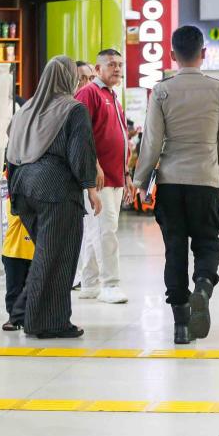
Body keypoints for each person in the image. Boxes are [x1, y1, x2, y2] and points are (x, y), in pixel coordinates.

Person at [134, 26, 219, 344]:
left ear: (173, 55)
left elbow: (151, 142)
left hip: (172, 183)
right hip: (205, 179)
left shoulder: (161, 92)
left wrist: (140, 181)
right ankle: (203, 286)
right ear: (203, 54)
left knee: (174, 249)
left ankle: (180, 323)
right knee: (207, 242)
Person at [7, 56, 102, 338]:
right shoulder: (73, 110)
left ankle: (29, 316)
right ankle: (49, 322)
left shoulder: (25, 111)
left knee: (46, 256)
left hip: (23, 189)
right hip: (56, 191)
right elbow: (79, 152)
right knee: (59, 258)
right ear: (68, 79)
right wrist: (91, 188)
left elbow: (10, 153)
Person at [75, 49, 131, 304]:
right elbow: (80, 135)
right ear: (98, 69)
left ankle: (89, 283)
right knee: (105, 230)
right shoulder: (89, 93)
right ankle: (111, 284)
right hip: (98, 178)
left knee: (95, 231)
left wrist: (127, 172)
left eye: (120, 64)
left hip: (115, 176)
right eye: (111, 65)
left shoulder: (113, 95)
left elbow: (119, 137)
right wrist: (94, 165)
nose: (117, 69)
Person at [1, 199, 35, 331]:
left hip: (35, 251)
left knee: (34, 289)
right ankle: (14, 317)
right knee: (14, 289)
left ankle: (32, 318)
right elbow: (22, 217)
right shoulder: (13, 200)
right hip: (14, 252)